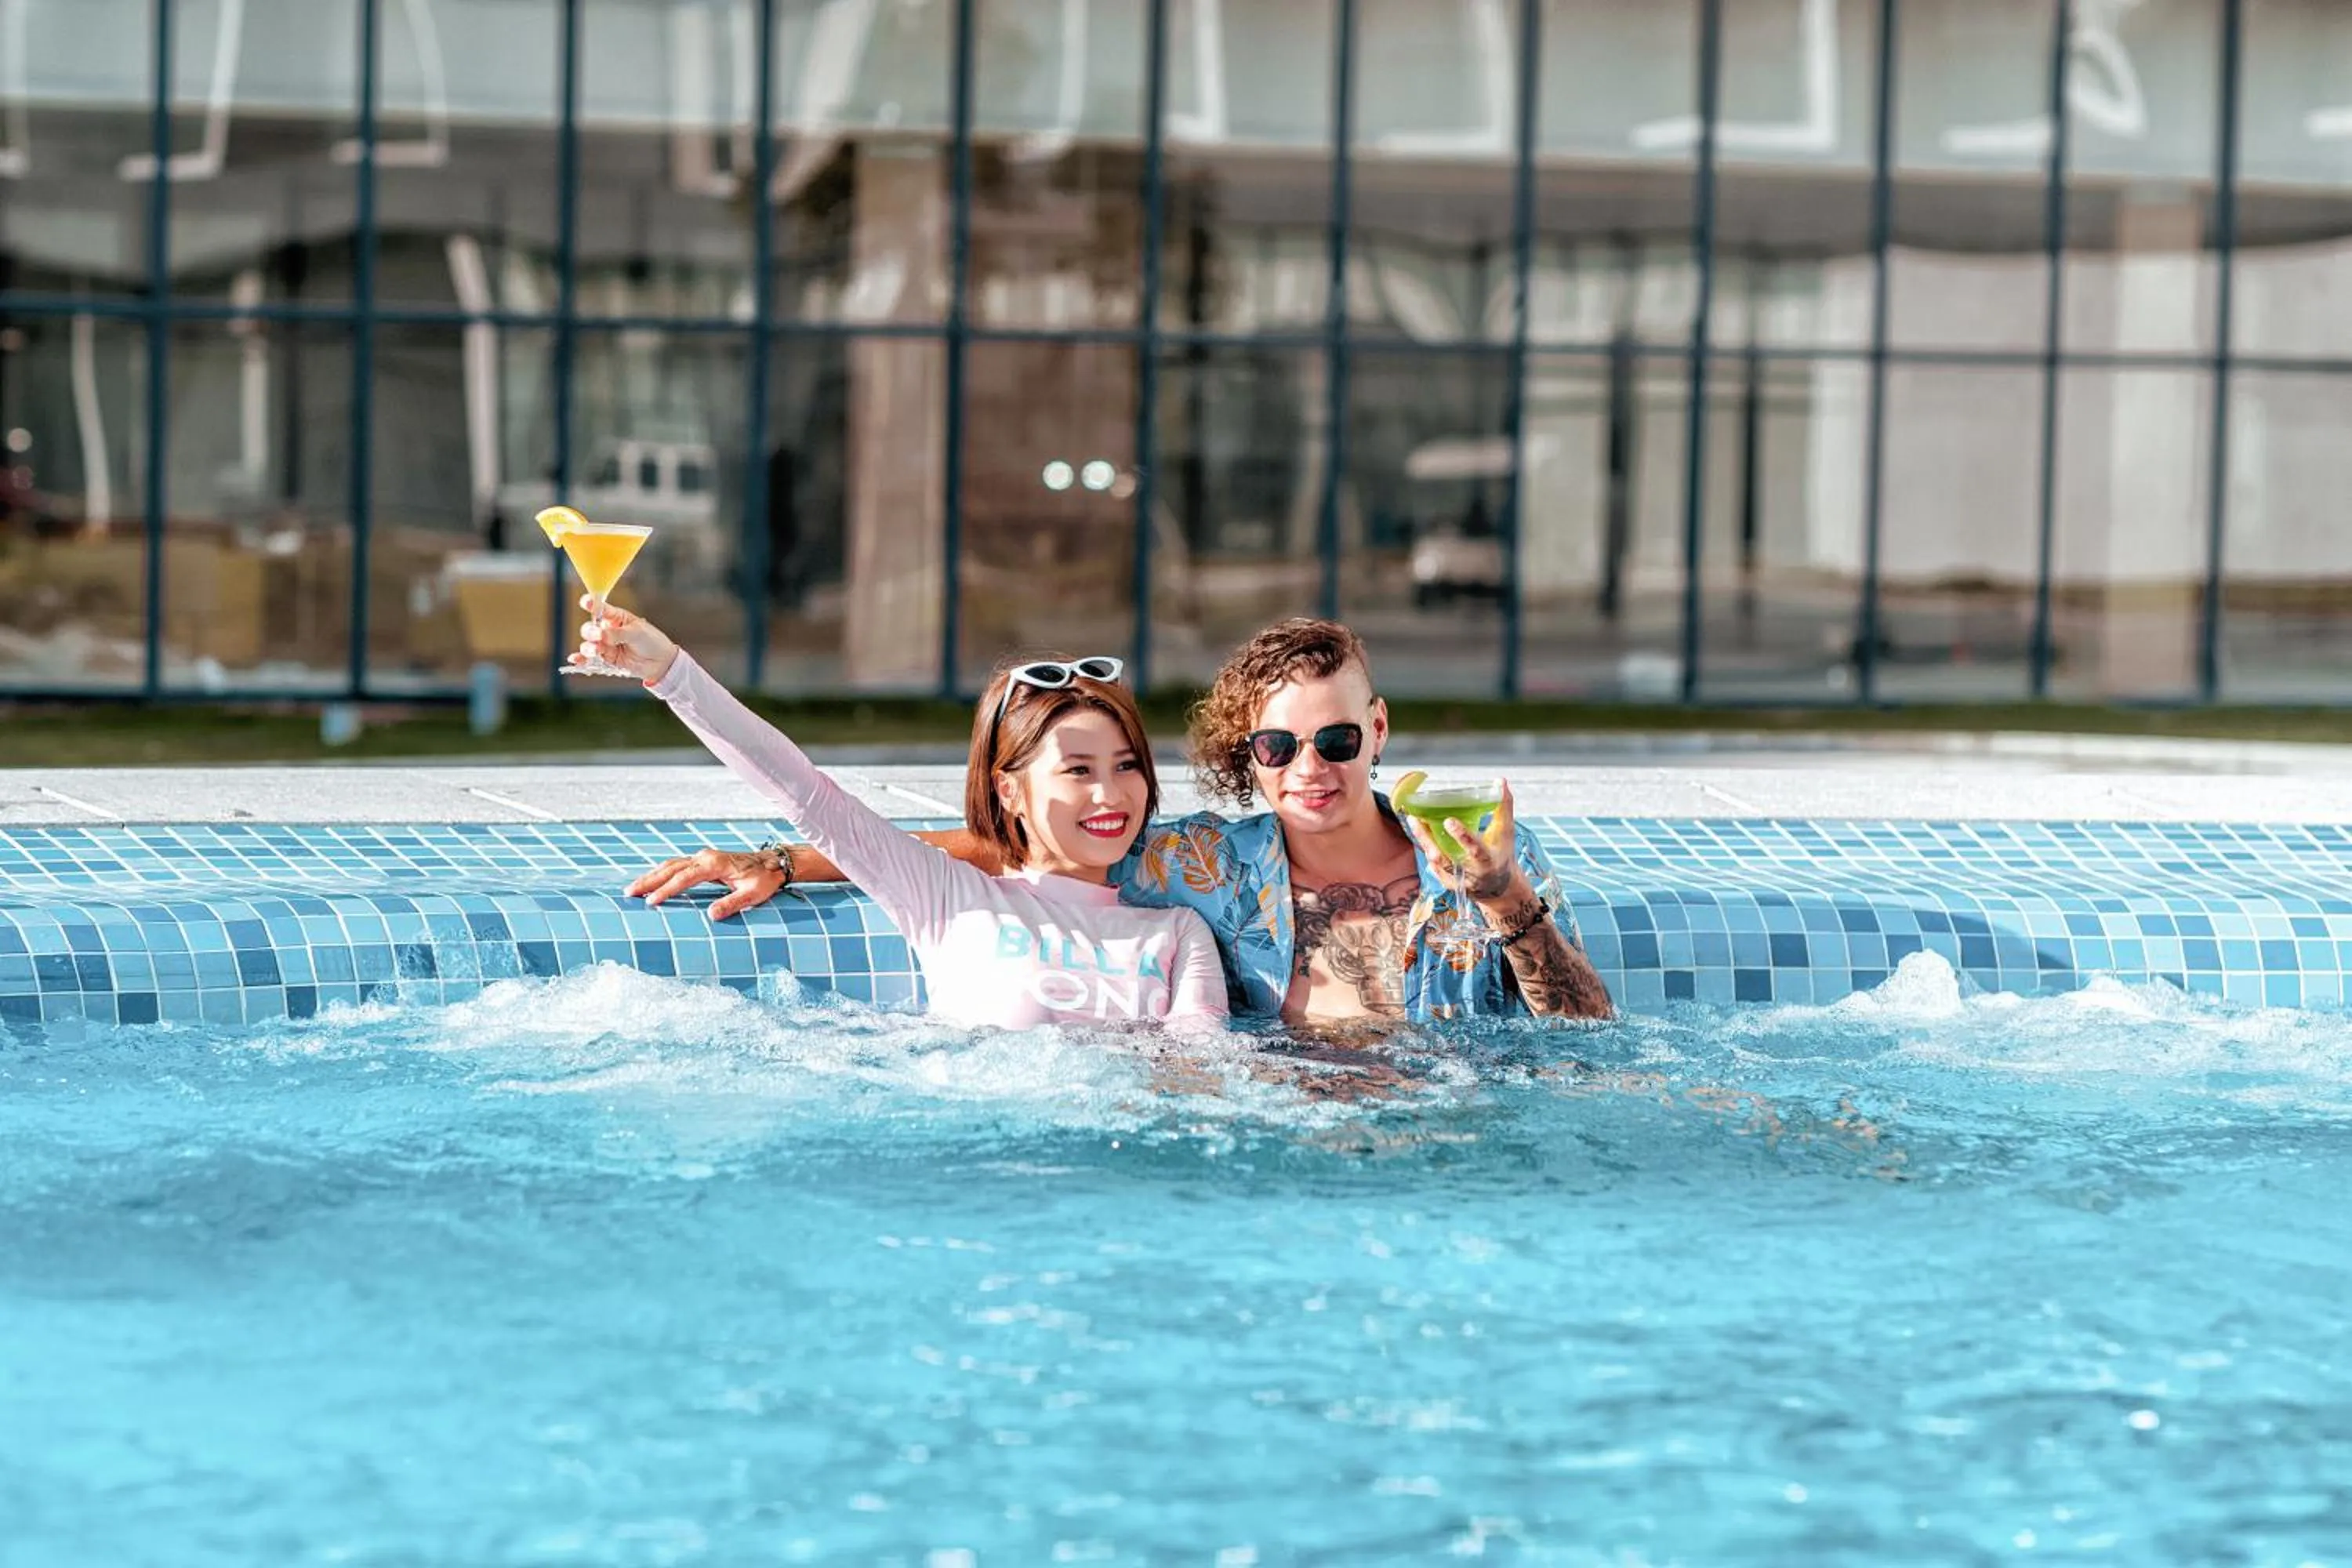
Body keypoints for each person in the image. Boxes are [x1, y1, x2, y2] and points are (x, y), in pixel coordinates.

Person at [628, 617, 1610, 1029]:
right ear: (1249, 756)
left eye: (1339, 739)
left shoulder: (1479, 861)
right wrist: (788, 859)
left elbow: (1588, 1037)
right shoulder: (1204, 869)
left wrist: (1503, 898)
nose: (1310, 769)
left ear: (1379, 729)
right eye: (1278, 747)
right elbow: (1039, 847)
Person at [574, 596, 1227, 1033]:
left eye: (1127, 765)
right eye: (1078, 771)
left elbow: (1202, 1073)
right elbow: (804, 793)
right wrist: (671, 675)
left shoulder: (1176, 932)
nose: (1111, 795)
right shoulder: (946, 897)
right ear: (1008, 792)